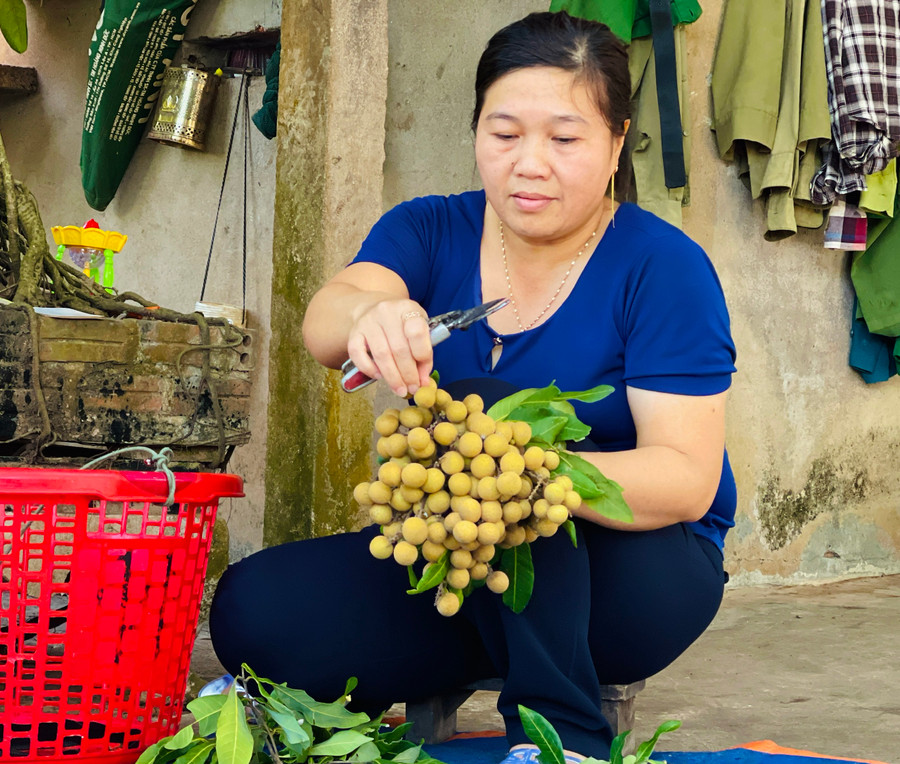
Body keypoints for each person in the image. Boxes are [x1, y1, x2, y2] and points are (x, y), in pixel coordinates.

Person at [210, 11, 736, 764]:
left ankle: (562, 735)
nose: (530, 164)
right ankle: (484, 646)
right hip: (462, 561)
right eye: (504, 133)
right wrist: (373, 313)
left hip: (635, 576)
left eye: (564, 138)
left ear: (616, 142)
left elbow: (686, 479)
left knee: (486, 419)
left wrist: (520, 473)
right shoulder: (430, 228)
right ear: (476, 131)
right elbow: (327, 319)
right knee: (256, 612)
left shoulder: (662, 268)